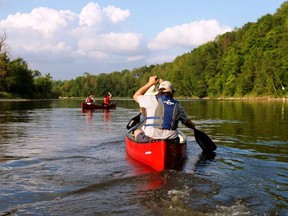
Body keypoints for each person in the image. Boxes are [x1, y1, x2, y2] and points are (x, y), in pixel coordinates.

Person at [133, 75, 196, 142]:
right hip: (171, 139)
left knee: (137, 131)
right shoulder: (177, 105)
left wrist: (150, 83)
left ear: (159, 91)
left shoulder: (151, 99)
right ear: (172, 92)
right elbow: (187, 123)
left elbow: (135, 96)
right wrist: (193, 127)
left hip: (151, 138)